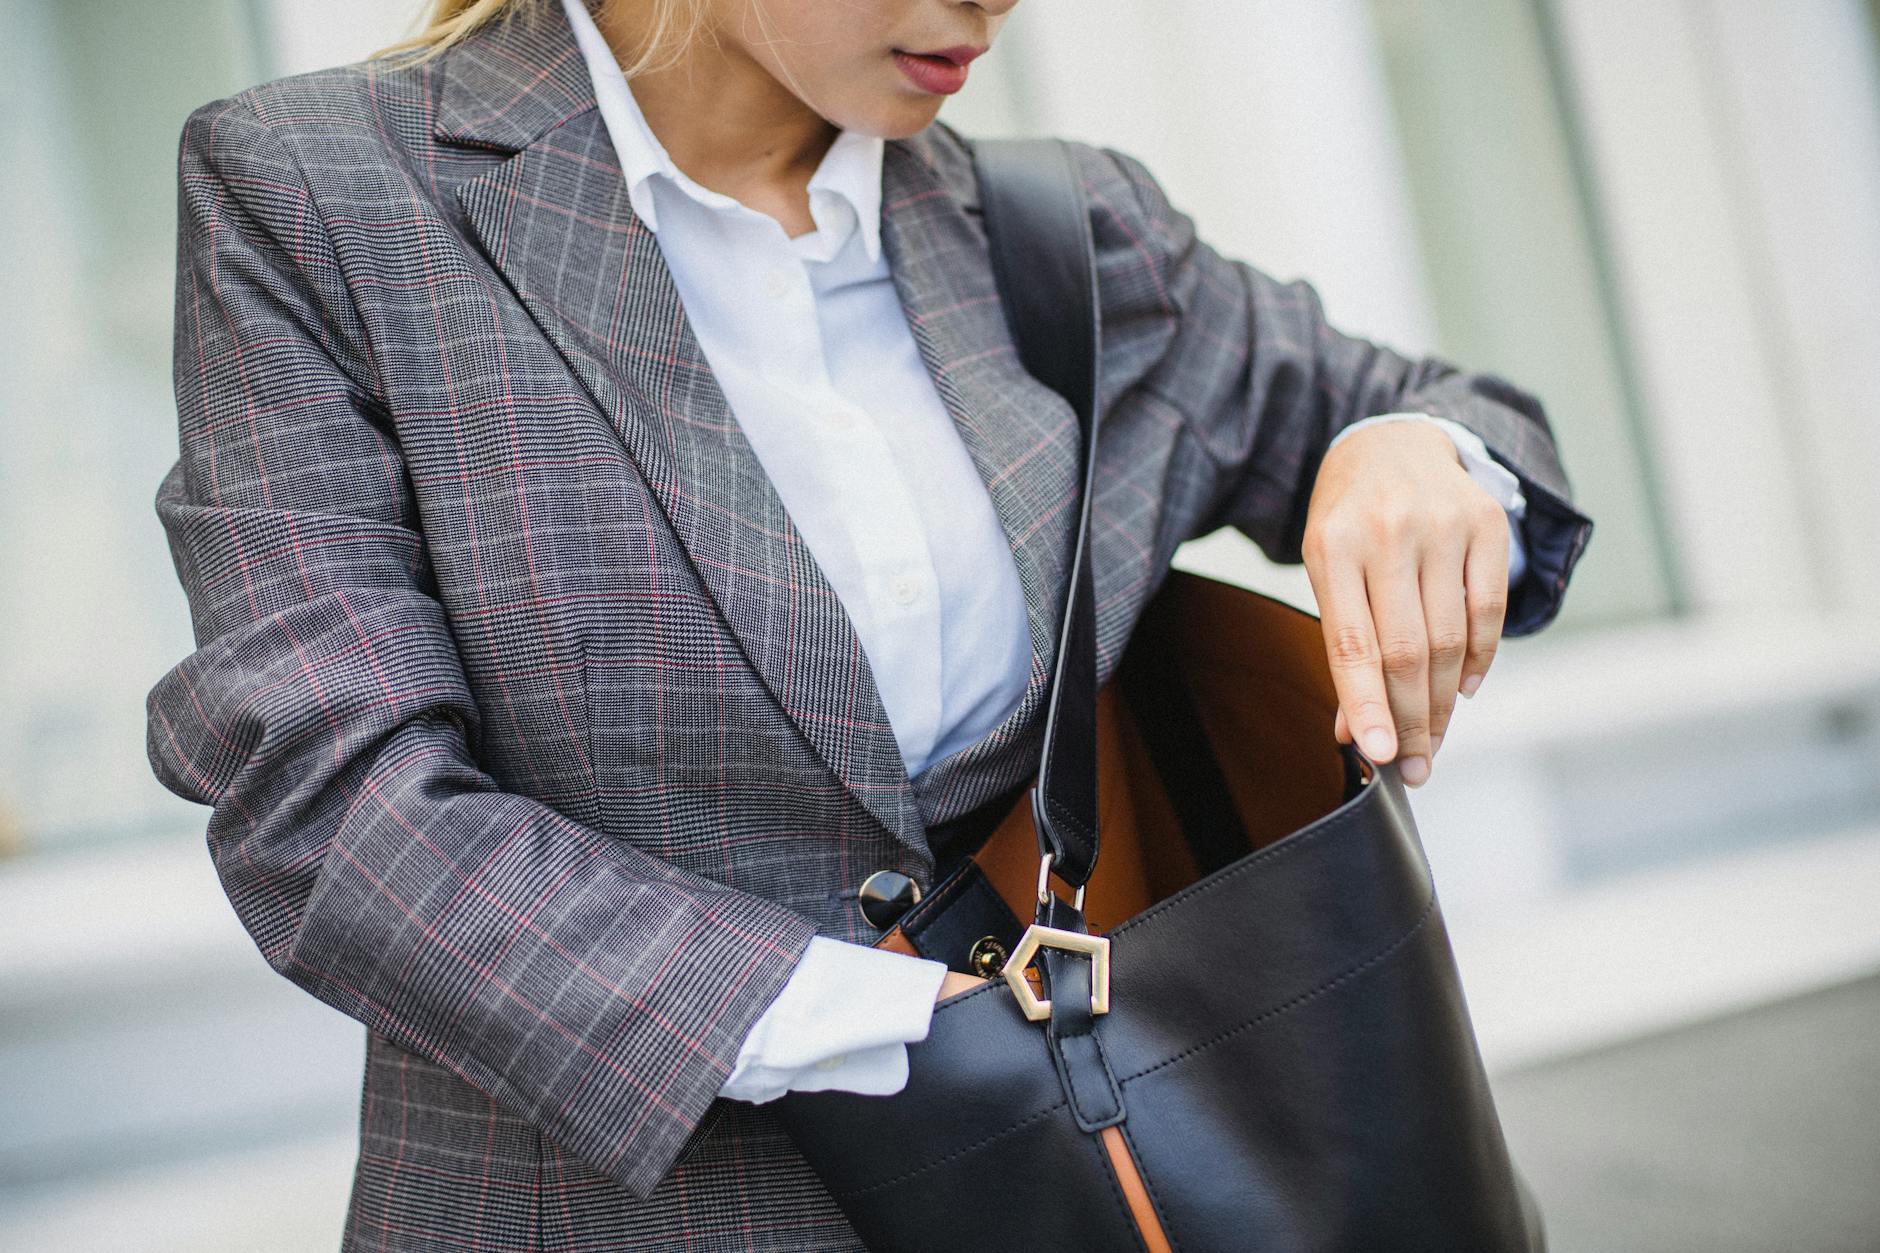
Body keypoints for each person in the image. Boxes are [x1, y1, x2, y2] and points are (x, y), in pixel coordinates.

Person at [145, 0, 1593, 1247]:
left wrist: (1412, 451)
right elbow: (332, 807)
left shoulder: (1063, 232)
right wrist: (901, 1039)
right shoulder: (324, 196)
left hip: (1091, 1196)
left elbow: (1466, 417)